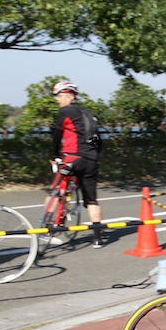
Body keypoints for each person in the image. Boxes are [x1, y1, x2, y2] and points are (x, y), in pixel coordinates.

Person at [49, 81, 104, 248]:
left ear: (70, 95)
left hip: (73, 157)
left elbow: (57, 135)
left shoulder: (65, 111)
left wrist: (52, 155)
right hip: (91, 160)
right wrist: (95, 156)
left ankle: (45, 226)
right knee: (91, 200)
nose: (58, 100)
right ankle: (97, 238)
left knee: (53, 190)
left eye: (59, 96)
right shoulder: (88, 114)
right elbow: (99, 139)